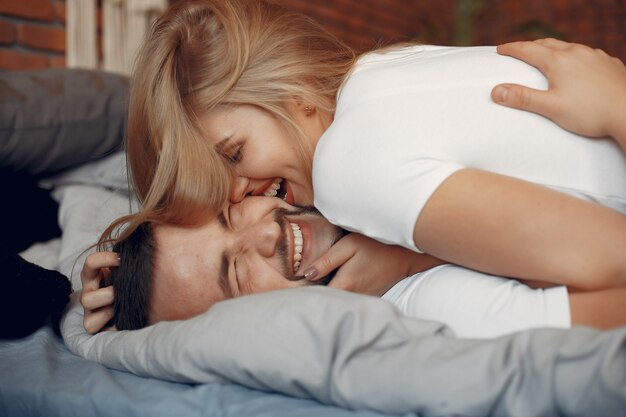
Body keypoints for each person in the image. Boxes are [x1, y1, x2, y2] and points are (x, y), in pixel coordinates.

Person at [113, 0, 626, 298]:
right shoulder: (386, 71)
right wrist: (125, 285)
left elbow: (610, 257)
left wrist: (407, 262)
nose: (236, 194)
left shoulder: (345, 169)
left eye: (233, 154)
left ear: (291, 91)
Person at [80, 196, 626, 338]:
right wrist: (416, 257)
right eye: (239, 275)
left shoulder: (345, 176)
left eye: (229, 213)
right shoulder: (435, 311)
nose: (268, 231)